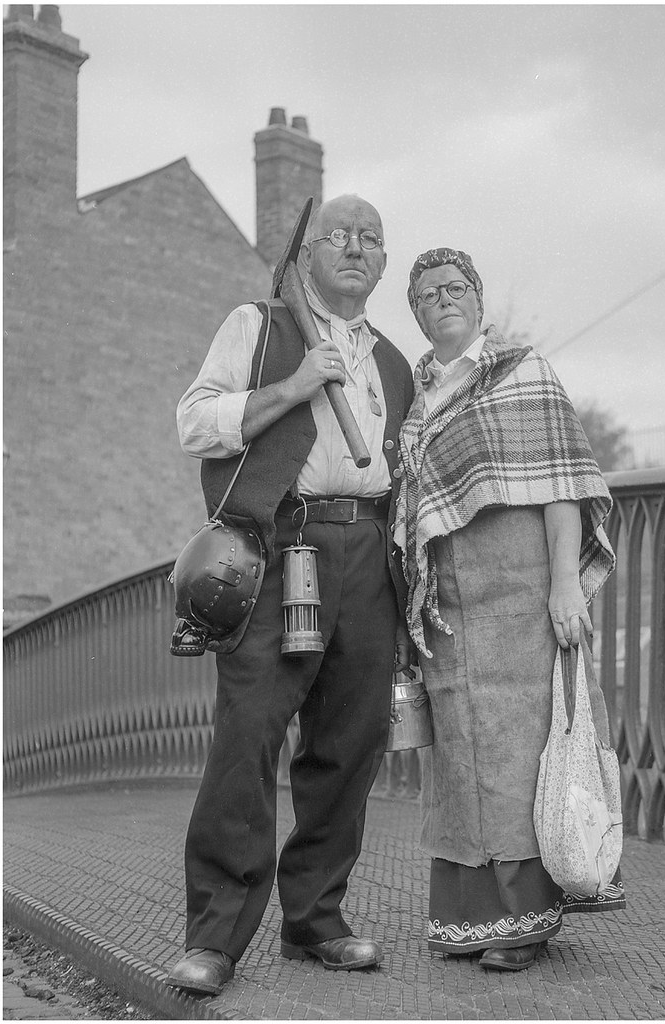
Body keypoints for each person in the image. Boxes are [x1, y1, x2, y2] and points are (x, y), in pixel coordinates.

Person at [165, 195, 415, 996]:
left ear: (383, 262)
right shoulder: (260, 326)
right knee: (248, 736)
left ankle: (315, 921)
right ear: (307, 255)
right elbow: (194, 423)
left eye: (370, 238)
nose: (355, 247)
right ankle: (215, 937)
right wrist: (295, 385)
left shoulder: (395, 364)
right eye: (337, 235)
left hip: (369, 552)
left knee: (351, 741)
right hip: (279, 544)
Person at [394, 248, 626, 973]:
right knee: (460, 756)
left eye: (455, 287)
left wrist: (564, 585)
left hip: (521, 591)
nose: (443, 299)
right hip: (450, 606)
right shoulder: (416, 403)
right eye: (427, 294)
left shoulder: (525, 374)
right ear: (416, 313)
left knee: (522, 753)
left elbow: (562, 484)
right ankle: (471, 916)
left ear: (477, 297)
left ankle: (526, 921)